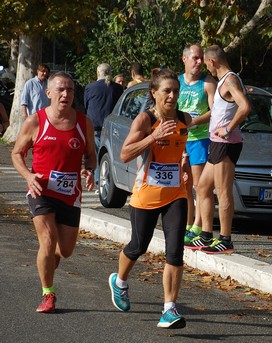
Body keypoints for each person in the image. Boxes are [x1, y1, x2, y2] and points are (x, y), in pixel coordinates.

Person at [108, 69, 192, 329]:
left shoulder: (184, 119)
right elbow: (124, 154)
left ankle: (169, 308)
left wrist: (185, 165)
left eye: (175, 91)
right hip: (145, 195)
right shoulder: (145, 120)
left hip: (175, 194)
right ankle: (119, 281)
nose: (172, 95)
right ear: (154, 93)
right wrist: (153, 137)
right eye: (166, 91)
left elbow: (181, 147)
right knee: (138, 246)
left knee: (175, 252)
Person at [11, 71, 96, 313]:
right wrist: (29, 176)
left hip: (70, 194)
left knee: (65, 251)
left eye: (69, 90)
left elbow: (91, 155)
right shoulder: (35, 122)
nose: (65, 94)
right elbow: (17, 154)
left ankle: (49, 260)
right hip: (41, 189)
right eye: (60, 89)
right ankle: (48, 294)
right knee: (47, 241)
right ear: (48, 93)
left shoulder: (83, 123)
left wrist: (89, 169)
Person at [195, 45, 250, 254]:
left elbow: (245, 106)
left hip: (227, 144)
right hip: (216, 144)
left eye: (206, 63)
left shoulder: (230, 80)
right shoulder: (223, 82)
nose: (206, 68)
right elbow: (219, 111)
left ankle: (225, 239)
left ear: (212, 62)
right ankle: (207, 235)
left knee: (223, 192)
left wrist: (228, 128)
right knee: (202, 187)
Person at [177, 44, 217, 250]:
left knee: (199, 186)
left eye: (201, 58)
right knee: (184, 186)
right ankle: (186, 225)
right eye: (195, 58)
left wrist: (194, 121)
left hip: (199, 139)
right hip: (178, 140)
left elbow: (214, 111)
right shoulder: (176, 83)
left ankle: (198, 226)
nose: (199, 62)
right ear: (185, 59)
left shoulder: (208, 83)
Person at [84, 63, 124, 184]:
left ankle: (98, 179)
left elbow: (86, 105)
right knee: (110, 153)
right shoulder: (117, 88)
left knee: (95, 153)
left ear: (98, 73)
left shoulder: (90, 87)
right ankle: (109, 178)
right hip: (111, 125)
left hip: (94, 124)